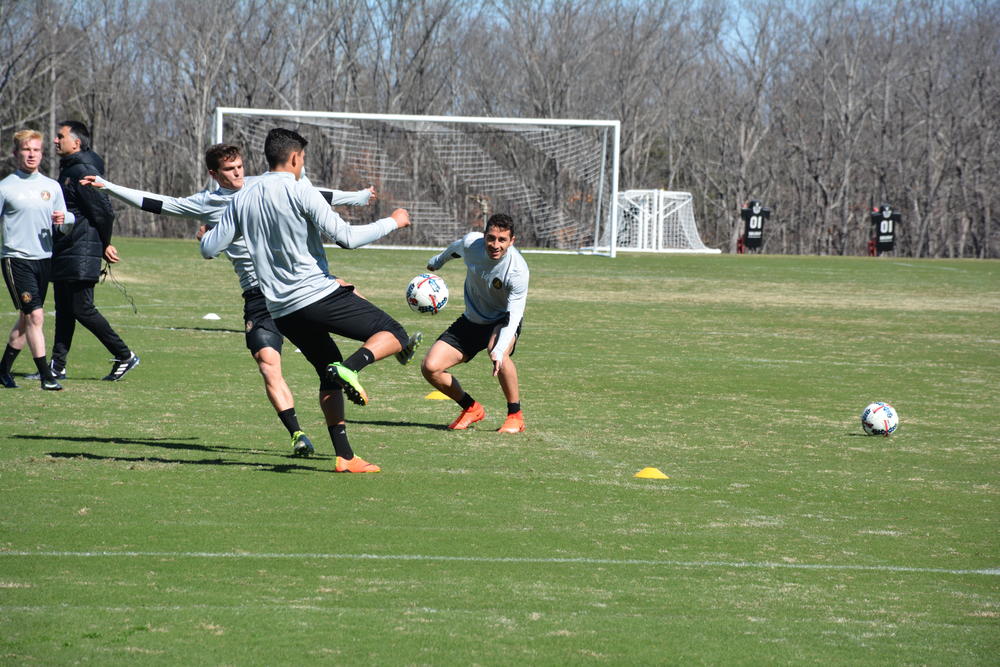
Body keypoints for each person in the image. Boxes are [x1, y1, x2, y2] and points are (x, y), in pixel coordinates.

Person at [79, 143, 417, 457]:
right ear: (214, 174)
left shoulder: (260, 185)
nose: (238, 173)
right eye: (229, 169)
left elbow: (310, 193)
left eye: (240, 166)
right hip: (260, 296)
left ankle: (371, 378)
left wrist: (355, 198)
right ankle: (299, 432)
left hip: (291, 289)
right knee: (270, 364)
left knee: (345, 305)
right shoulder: (206, 203)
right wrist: (110, 187)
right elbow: (158, 203)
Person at [201, 128, 414, 473]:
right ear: (295, 157)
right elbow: (347, 237)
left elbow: (209, 248)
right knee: (394, 334)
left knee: (327, 375)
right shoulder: (301, 190)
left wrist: (209, 234)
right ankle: (353, 367)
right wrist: (392, 222)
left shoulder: (241, 199)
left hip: (281, 311)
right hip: (317, 295)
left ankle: (345, 457)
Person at [421, 214, 529, 433]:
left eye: (502, 240)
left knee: (497, 352)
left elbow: (515, 313)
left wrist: (499, 350)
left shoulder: (518, 271)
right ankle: (471, 408)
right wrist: (436, 262)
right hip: (472, 319)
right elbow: (454, 248)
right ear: (484, 236)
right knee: (430, 367)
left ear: (512, 241)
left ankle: (515, 415)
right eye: (491, 238)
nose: (495, 245)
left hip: (502, 319)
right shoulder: (472, 244)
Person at [48, 120, 138, 381]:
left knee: (81, 308)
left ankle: (124, 355)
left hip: (81, 249)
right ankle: (57, 366)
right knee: (65, 309)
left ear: (76, 143)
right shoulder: (69, 169)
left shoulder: (82, 171)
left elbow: (104, 211)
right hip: (66, 248)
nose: (55, 140)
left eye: (60, 136)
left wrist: (104, 243)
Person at [0, 130, 72, 390]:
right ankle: (47, 376)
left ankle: (3, 370)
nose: (32, 154)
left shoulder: (51, 187)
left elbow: (66, 221)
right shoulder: (6, 186)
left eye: (36, 150)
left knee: (26, 319)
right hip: (16, 259)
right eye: (26, 149)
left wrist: (67, 221)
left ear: (42, 153)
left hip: (44, 259)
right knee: (36, 317)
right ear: (15, 153)